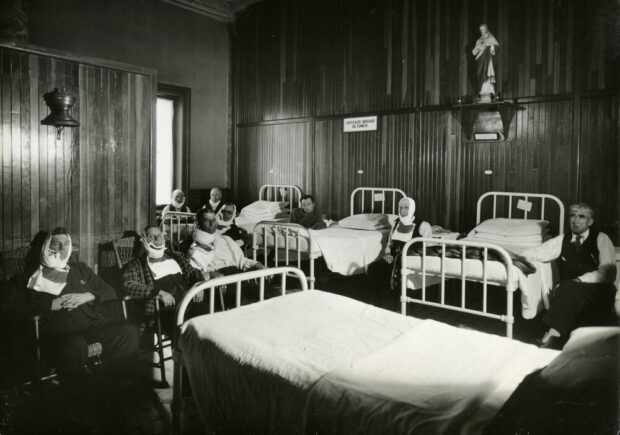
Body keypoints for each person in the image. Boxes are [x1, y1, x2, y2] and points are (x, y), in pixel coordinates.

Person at [9, 228, 139, 381]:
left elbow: (110, 290)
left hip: (89, 324)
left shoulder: (80, 269)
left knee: (128, 332)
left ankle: (120, 386)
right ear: (46, 247)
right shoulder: (29, 278)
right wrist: (51, 305)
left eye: (66, 244)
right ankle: (76, 396)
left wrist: (88, 296)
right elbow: (15, 309)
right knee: (76, 345)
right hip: (57, 331)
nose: (62, 249)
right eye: (57, 244)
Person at [520, 203, 617, 349]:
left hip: (599, 291)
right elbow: (539, 252)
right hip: (572, 293)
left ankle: (551, 337)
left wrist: (578, 281)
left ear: (590, 221)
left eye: (581, 216)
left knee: (567, 287)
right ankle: (552, 336)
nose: (575, 220)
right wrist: (516, 257)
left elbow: (608, 273)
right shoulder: (562, 240)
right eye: (572, 215)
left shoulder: (601, 238)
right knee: (568, 289)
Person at [121, 226, 207, 331]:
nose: (157, 239)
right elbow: (128, 284)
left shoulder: (176, 257)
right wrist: (157, 292)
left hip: (191, 303)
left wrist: (198, 284)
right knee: (191, 330)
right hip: (166, 312)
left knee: (212, 318)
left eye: (159, 235)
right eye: (151, 237)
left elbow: (194, 272)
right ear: (144, 241)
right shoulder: (137, 265)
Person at [366, 197, 432, 306]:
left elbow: (428, 249)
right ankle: (375, 302)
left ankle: (393, 303)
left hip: (411, 259)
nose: (402, 211)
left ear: (412, 209)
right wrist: (387, 254)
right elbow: (389, 244)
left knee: (397, 271)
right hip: (393, 257)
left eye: (406, 208)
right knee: (374, 267)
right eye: (400, 208)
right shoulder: (396, 223)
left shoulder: (423, 225)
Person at [188, 209, 265, 278]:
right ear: (198, 224)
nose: (211, 223)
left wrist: (256, 264)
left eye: (213, 220)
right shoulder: (195, 249)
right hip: (219, 282)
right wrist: (211, 274)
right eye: (206, 220)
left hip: (238, 276)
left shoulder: (226, 239)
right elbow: (197, 273)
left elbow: (242, 261)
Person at [472, 24, 499, 100]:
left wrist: (492, 47)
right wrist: (475, 50)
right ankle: (481, 90)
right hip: (480, 60)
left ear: (486, 29)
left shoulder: (491, 38)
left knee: (487, 73)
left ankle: (488, 90)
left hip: (487, 61)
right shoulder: (479, 40)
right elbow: (475, 50)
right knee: (478, 74)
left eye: (483, 29)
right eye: (481, 30)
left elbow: (496, 47)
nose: (482, 31)